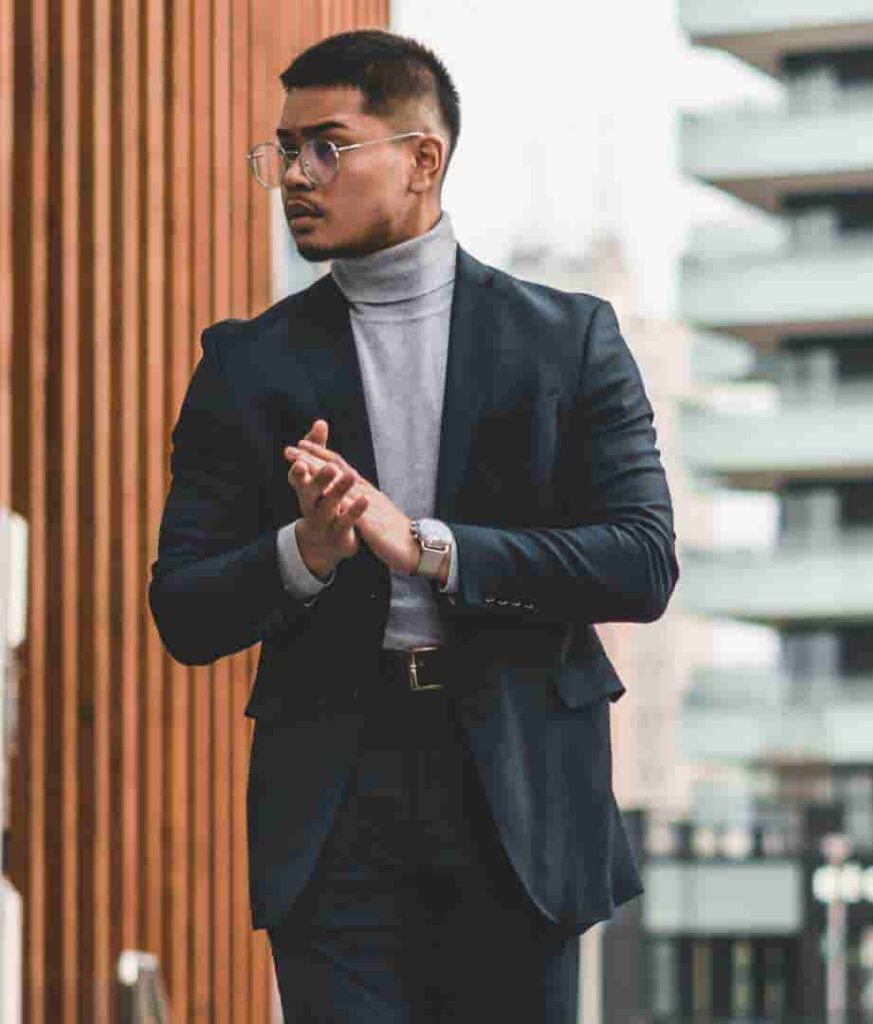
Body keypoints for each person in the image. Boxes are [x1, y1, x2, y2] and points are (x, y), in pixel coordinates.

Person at [148, 27, 678, 1024]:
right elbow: (182, 607)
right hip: (338, 798)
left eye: (327, 147)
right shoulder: (246, 367)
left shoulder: (568, 341)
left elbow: (642, 563)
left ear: (423, 159)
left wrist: (431, 545)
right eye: (282, 150)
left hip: (519, 793)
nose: (294, 176)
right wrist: (304, 554)